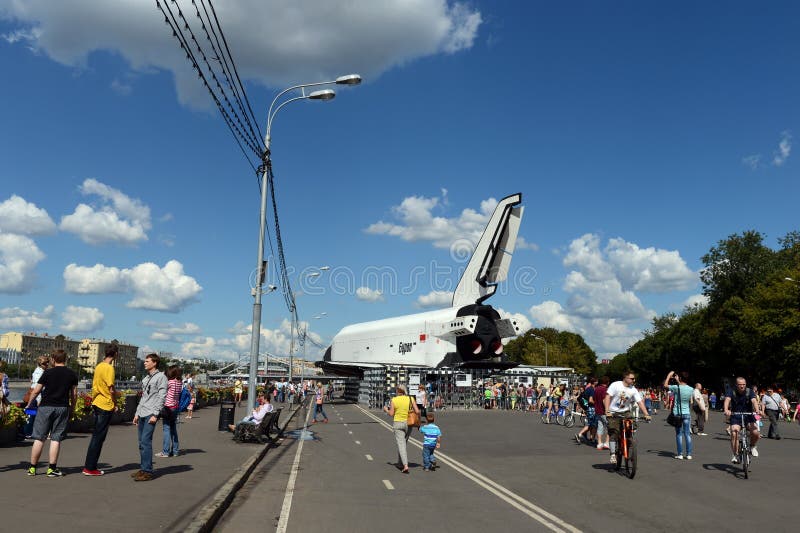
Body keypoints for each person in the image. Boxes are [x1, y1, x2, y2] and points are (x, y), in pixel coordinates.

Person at [24, 350, 78, 477]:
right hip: (62, 407)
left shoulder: (47, 372)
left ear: (53, 359)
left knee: (39, 438)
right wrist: (73, 408)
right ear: (65, 360)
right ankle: (52, 469)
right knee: (56, 438)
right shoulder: (72, 374)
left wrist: (28, 404)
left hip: (45, 407)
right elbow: (74, 394)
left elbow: (36, 390)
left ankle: (32, 468)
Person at [82, 344, 118, 476]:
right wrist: (115, 403)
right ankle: (90, 468)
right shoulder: (109, 368)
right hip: (105, 404)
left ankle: (89, 466)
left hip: (96, 402)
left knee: (96, 436)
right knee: (99, 437)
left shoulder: (99, 366)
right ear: (115, 355)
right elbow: (111, 388)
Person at [131, 354, 168, 482]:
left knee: (146, 441)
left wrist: (155, 414)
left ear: (155, 363)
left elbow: (162, 397)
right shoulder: (146, 378)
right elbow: (144, 397)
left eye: (147, 361)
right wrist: (136, 413)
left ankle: (147, 471)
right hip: (142, 412)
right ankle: (143, 468)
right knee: (141, 443)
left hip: (151, 413)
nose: (145, 363)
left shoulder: (161, 377)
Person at [604, 371, 651, 464]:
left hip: (626, 412)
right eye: (632, 378)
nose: (634, 380)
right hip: (613, 412)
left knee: (632, 425)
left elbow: (640, 402)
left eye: (634, 378)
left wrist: (646, 414)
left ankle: (630, 442)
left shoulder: (633, 389)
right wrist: (607, 410)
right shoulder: (615, 385)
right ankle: (613, 454)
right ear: (625, 377)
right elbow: (607, 397)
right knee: (613, 432)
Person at [724, 377, 762, 463]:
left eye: (743, 384)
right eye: (740, 384)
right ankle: (735, 454)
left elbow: (754, 401)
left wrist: (757, 410)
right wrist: (726, 409)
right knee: (734, 432)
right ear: (736, 385)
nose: (742, 386)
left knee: (755, 432)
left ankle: (752, 446)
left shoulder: (749, 391)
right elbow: (727, 400)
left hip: (748, 415)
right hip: (736, 415)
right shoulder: (731, 391)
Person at [383, 386, 420, 474]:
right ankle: (400, 463)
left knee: (401, 444)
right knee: (403, 444)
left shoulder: (394, 400)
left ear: (398, 391)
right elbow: (417, 411)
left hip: (398, 423)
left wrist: (386, 410)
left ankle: (405, 465)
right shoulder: (410, 398)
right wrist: (418, 422)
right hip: (409, 423)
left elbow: (391, 414)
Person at [664, 371, 694, 459]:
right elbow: (683, 388)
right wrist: (678, 381)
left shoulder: (676, 387)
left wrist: (669, 375)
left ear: (680, 378)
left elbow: (665, 385)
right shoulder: (691, 389)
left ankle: (680, 454)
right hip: (686, 413)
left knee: (679, 434)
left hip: (677, 413)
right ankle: (688, 454)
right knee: (687, 434)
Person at [156, 365, 183, 458]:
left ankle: (165, 451)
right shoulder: (180, 382)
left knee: (166, 429)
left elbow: (162, 391)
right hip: (175, 407)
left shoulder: (170, 382)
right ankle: (175, 451)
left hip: (168, 407)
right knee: (173, 429)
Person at [23, 356, 50, 438]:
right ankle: (27, 432)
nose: (47, 364)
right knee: (32, 415)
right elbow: (36, 387)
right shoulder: (39, 372)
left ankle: (29, 432)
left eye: (47, 362)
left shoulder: (40, 371)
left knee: (33, 415)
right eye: (45, 363)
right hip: (35, 397)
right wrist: (39, 399)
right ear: (40, 364)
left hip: (35, 396)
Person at [575, 377, 597, 445]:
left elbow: (582, 398)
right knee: (591, 424)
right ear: (595, 382)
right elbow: (590, 400)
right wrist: (596, 403)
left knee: (592, 424)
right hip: (591, 408)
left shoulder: (587, 389)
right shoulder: (592, 390)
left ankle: (592, 438)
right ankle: (580, 434)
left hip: (587, 408)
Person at [594, 376, 610, 451]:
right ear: (607, 382)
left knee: (600, 427)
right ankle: (606, 443)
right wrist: (608, 410)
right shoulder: (605, 389)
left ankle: (599, 443)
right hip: (604, 411)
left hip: (597, 411)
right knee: (610, 427)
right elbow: (604, 400)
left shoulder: (596, 389)